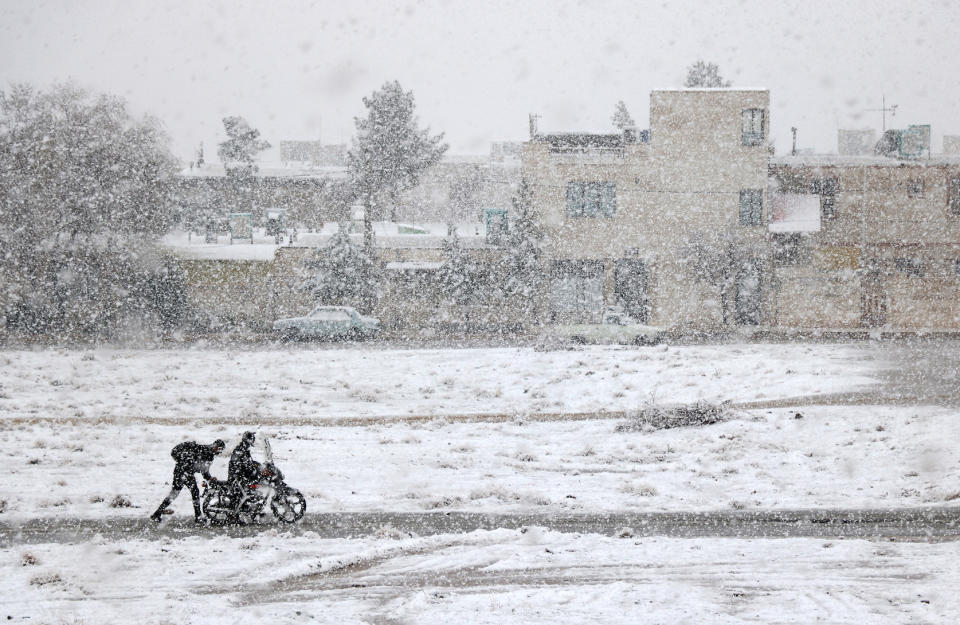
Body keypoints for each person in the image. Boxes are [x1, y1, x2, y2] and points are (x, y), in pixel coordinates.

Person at [150, 439, 226, 524]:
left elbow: (203, 469)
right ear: (214, 446)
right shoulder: (206, 452)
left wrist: (209, 478)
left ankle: (157, 513)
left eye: (220, 450)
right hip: (185, 472)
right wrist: (207, 477)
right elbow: (202, 469)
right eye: (218, 449)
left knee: (174, 493)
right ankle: (198, 516)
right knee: (194, 492)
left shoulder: (206, 452)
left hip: (181, 471)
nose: (219, 452)